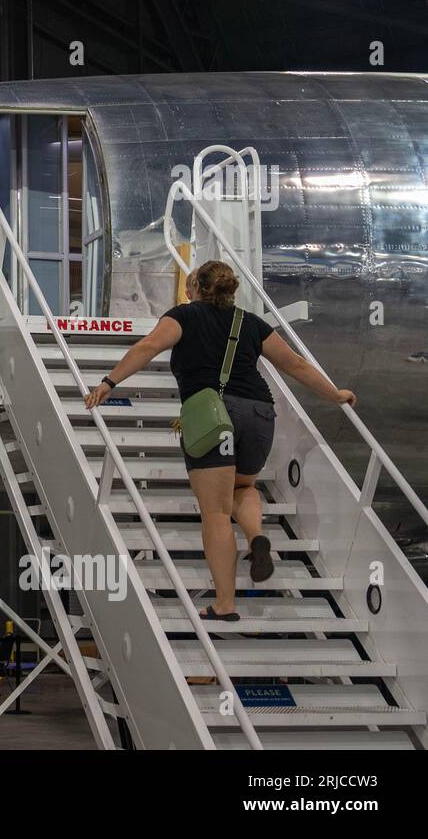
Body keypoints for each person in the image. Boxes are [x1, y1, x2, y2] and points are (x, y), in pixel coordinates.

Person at [83, 261, 356, 621]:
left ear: (195, 287)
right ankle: (256, 535)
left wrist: (109, 382)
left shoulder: (183, 316)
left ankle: (225, 604)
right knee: (243, 486)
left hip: (213, 417)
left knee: (215, 512)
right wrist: (335, 394)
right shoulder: (250, 322)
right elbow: (296, 365)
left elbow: (148, 346)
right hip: (260, 414)